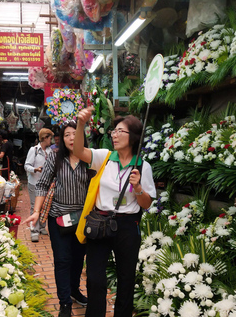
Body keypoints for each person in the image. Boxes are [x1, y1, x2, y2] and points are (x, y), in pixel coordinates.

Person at [74, 107, 156, 317]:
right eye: (114, 131)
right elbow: (78, 152)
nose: (115, 135)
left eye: (121, 131)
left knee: (126, 278)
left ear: (134, 136)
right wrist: (81, 124)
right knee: (94, 278)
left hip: (128, 226)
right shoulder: (105, 157)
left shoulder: (142, 167)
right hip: (100, 222)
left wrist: (138, 188)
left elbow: (146, 204)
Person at [22, 120, 92, 317]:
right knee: (62, 260)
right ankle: (64, 303)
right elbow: (43, 184)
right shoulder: (54, 157)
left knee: (78, 259)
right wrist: (36, 211)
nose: (72, 138)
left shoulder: (89, 158)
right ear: (62, 139)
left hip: (82, 220)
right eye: (67, 134)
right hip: (58, 217)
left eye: (75, 134)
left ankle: (74, 290)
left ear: (82, 137)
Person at [24, 128, 54, 242]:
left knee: (44, 206)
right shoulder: (34, 150)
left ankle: (42, 227)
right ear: (45, 138)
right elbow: (26, 165)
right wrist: (35, 169)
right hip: (34, 183)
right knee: (34, 207)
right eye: (50, 138)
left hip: (46, 184)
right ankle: (34, 231)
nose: (51, 140)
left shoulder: (50, 151)